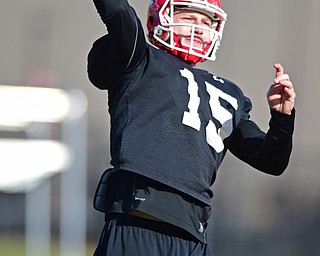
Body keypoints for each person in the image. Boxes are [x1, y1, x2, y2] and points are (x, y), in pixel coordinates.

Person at [87, 0, 296, 255]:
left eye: (206, 23)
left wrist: (282, 117)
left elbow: (272, 161)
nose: (198, 28)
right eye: (188, 19)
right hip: (138, 221)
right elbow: (118, 11)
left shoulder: (230, 94)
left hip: (193, 236)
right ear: (160, 19)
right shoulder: (140, 60)